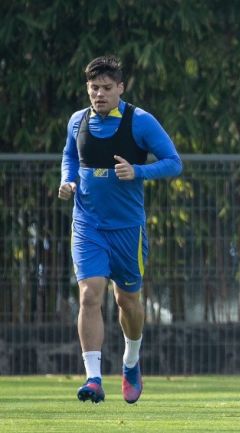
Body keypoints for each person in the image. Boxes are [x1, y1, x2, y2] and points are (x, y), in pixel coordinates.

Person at [58, 55, 183, 404]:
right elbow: (70, 156)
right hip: (87, 225)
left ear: (121, 88)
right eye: (94, 88)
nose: (99, 94)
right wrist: (67, 181)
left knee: (127, 300)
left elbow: (174, 162)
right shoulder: (76, 121)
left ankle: (130, 361)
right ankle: (94, 378)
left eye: (106, 88)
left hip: (128, 229)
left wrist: (139, 172)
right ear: (87, 88)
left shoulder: (140, 121)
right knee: (89, 294)